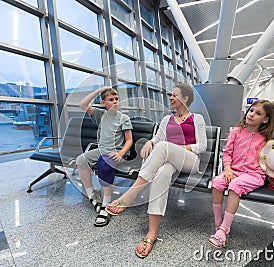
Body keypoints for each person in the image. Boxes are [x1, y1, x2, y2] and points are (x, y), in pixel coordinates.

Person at [105, 83, 207, 258]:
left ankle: (130, 195)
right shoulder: (167, 119)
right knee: (161, 173)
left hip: (189, 161)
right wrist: (150, 142)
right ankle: (151, 234)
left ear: (185, 99)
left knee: (164, 147)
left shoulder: (196, 118)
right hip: (170, 161)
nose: (171, 98)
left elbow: (202, 146)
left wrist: (179, 148)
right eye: (171, 95)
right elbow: (158, 138)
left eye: (175, 95)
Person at [208, 99, 274, 248]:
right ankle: (218, 224)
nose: (252, 114)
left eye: (258, 113)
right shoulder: (236, 132)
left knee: (235, 186)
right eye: (251, 110)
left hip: (254, 175)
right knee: (217, 182)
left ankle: (224, 229)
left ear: (266, 119)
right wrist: (227, 168)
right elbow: (227, 153)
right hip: (233, 171)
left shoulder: (267, 139)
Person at [76, 86, 133, 227]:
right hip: (102, 150)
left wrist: (120, 153)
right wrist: (98, 90)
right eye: (111, 99)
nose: (115, 102)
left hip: (116, 152)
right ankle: (92, 195)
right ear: (103, 103)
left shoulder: (123, 118)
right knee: (80, 160)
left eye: (116, 99)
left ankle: (106, 205)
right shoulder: (100, 115)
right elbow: (82, 104)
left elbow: (129, 141)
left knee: (104, 165)